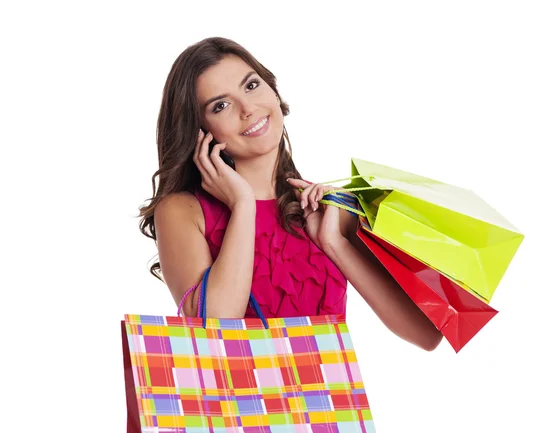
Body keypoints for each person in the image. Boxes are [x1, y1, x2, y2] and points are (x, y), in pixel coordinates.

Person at [138, 37, 442, 351]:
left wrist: (335, 243)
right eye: (221, 105)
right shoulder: (182, 210)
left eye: (252, 86)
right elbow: (213, 332)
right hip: (238, 400)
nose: (248, 108)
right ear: (199, 131)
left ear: (273, 90)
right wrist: (243, 205)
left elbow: (427, 335)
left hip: (326, 398)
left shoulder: (324, 209)